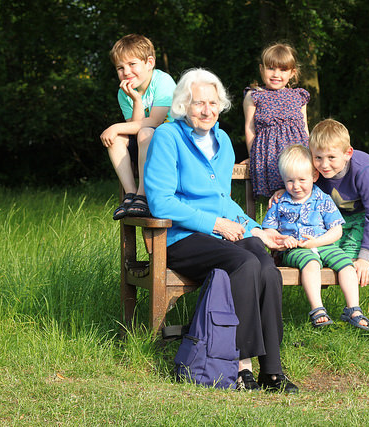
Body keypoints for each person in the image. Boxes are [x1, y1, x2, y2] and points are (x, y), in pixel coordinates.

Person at [144, 68, 298, 393]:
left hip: (220, 238)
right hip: (180, 238)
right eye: (199, 103)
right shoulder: (167, 137)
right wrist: (215, 224)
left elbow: (223, 202)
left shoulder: (223, 141)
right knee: (245, 263)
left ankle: (272, 370)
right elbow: (161, 203)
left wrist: (257, 231)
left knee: (266, 266)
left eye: (213, 103)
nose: (207, 110)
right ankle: (240, 366)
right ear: (183, 105)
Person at [262, 145, 369, 330]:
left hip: (324, 244)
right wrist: (282, 239)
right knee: (311, 263)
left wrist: (317, 242)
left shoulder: (323, 199)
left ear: (314, 176)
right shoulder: (280, 202)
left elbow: (336, 230)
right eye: (290, 181)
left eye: (302, 180)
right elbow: (268, 231)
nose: (296, 186)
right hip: (295, 248)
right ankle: (317, 309)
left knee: (346, 264)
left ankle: (353, 309)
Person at [307, 119, 369, 286]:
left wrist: (364, 258)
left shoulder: (364, 170)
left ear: (348, 153)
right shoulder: (316, 171)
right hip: (343, 216)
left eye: (331, 157)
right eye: (318, 157)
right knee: (327, 253)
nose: (324, 165)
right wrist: (282, 190)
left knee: (349, 262)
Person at [100, 34, 176, 220]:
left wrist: (115, 126)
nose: (126, 72)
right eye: (120, 68)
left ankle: (143, 195)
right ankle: (130, 194)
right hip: (144, 144)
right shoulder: (124, 93)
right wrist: (136, 100)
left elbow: (155, 122)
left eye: (132, 64)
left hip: (170, 146)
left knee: (145, 132)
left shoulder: (162, 81)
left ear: (149, 63)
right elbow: (133, 128)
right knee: (117, 139)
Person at [243, 42, 310, 198]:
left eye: (283, 70)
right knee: (277, 197)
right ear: (261, 69)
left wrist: (310, 153)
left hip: (297, 152)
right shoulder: (254, 95)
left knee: (300, 191)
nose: (276, 74)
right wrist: (253, 155)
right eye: (271, 68)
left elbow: (305, 127)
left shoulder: (298, 96)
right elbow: (250, 128)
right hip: (269, 154)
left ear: (292, 73)